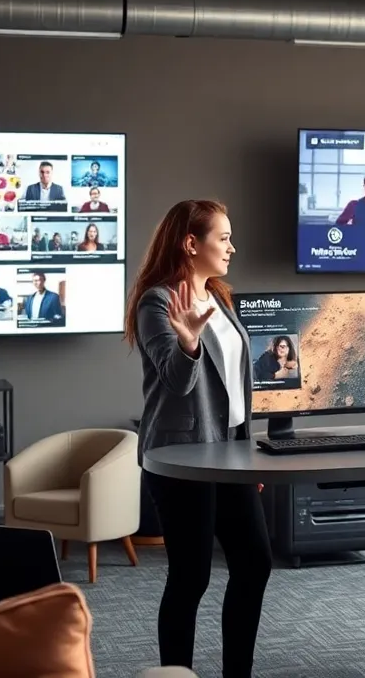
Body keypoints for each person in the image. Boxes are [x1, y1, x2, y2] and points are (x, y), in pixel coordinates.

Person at [124, 199, 272, 677]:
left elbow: (235, 385)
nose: (232, 246)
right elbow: (175, 380)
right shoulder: (157, 302)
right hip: (182, 458)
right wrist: (187, 341)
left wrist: (250, 455)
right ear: (192, 244)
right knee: (191, 577)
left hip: (230, 451)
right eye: (223, 238)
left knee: (254, 564)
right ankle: (176, 675)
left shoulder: (220, 298)